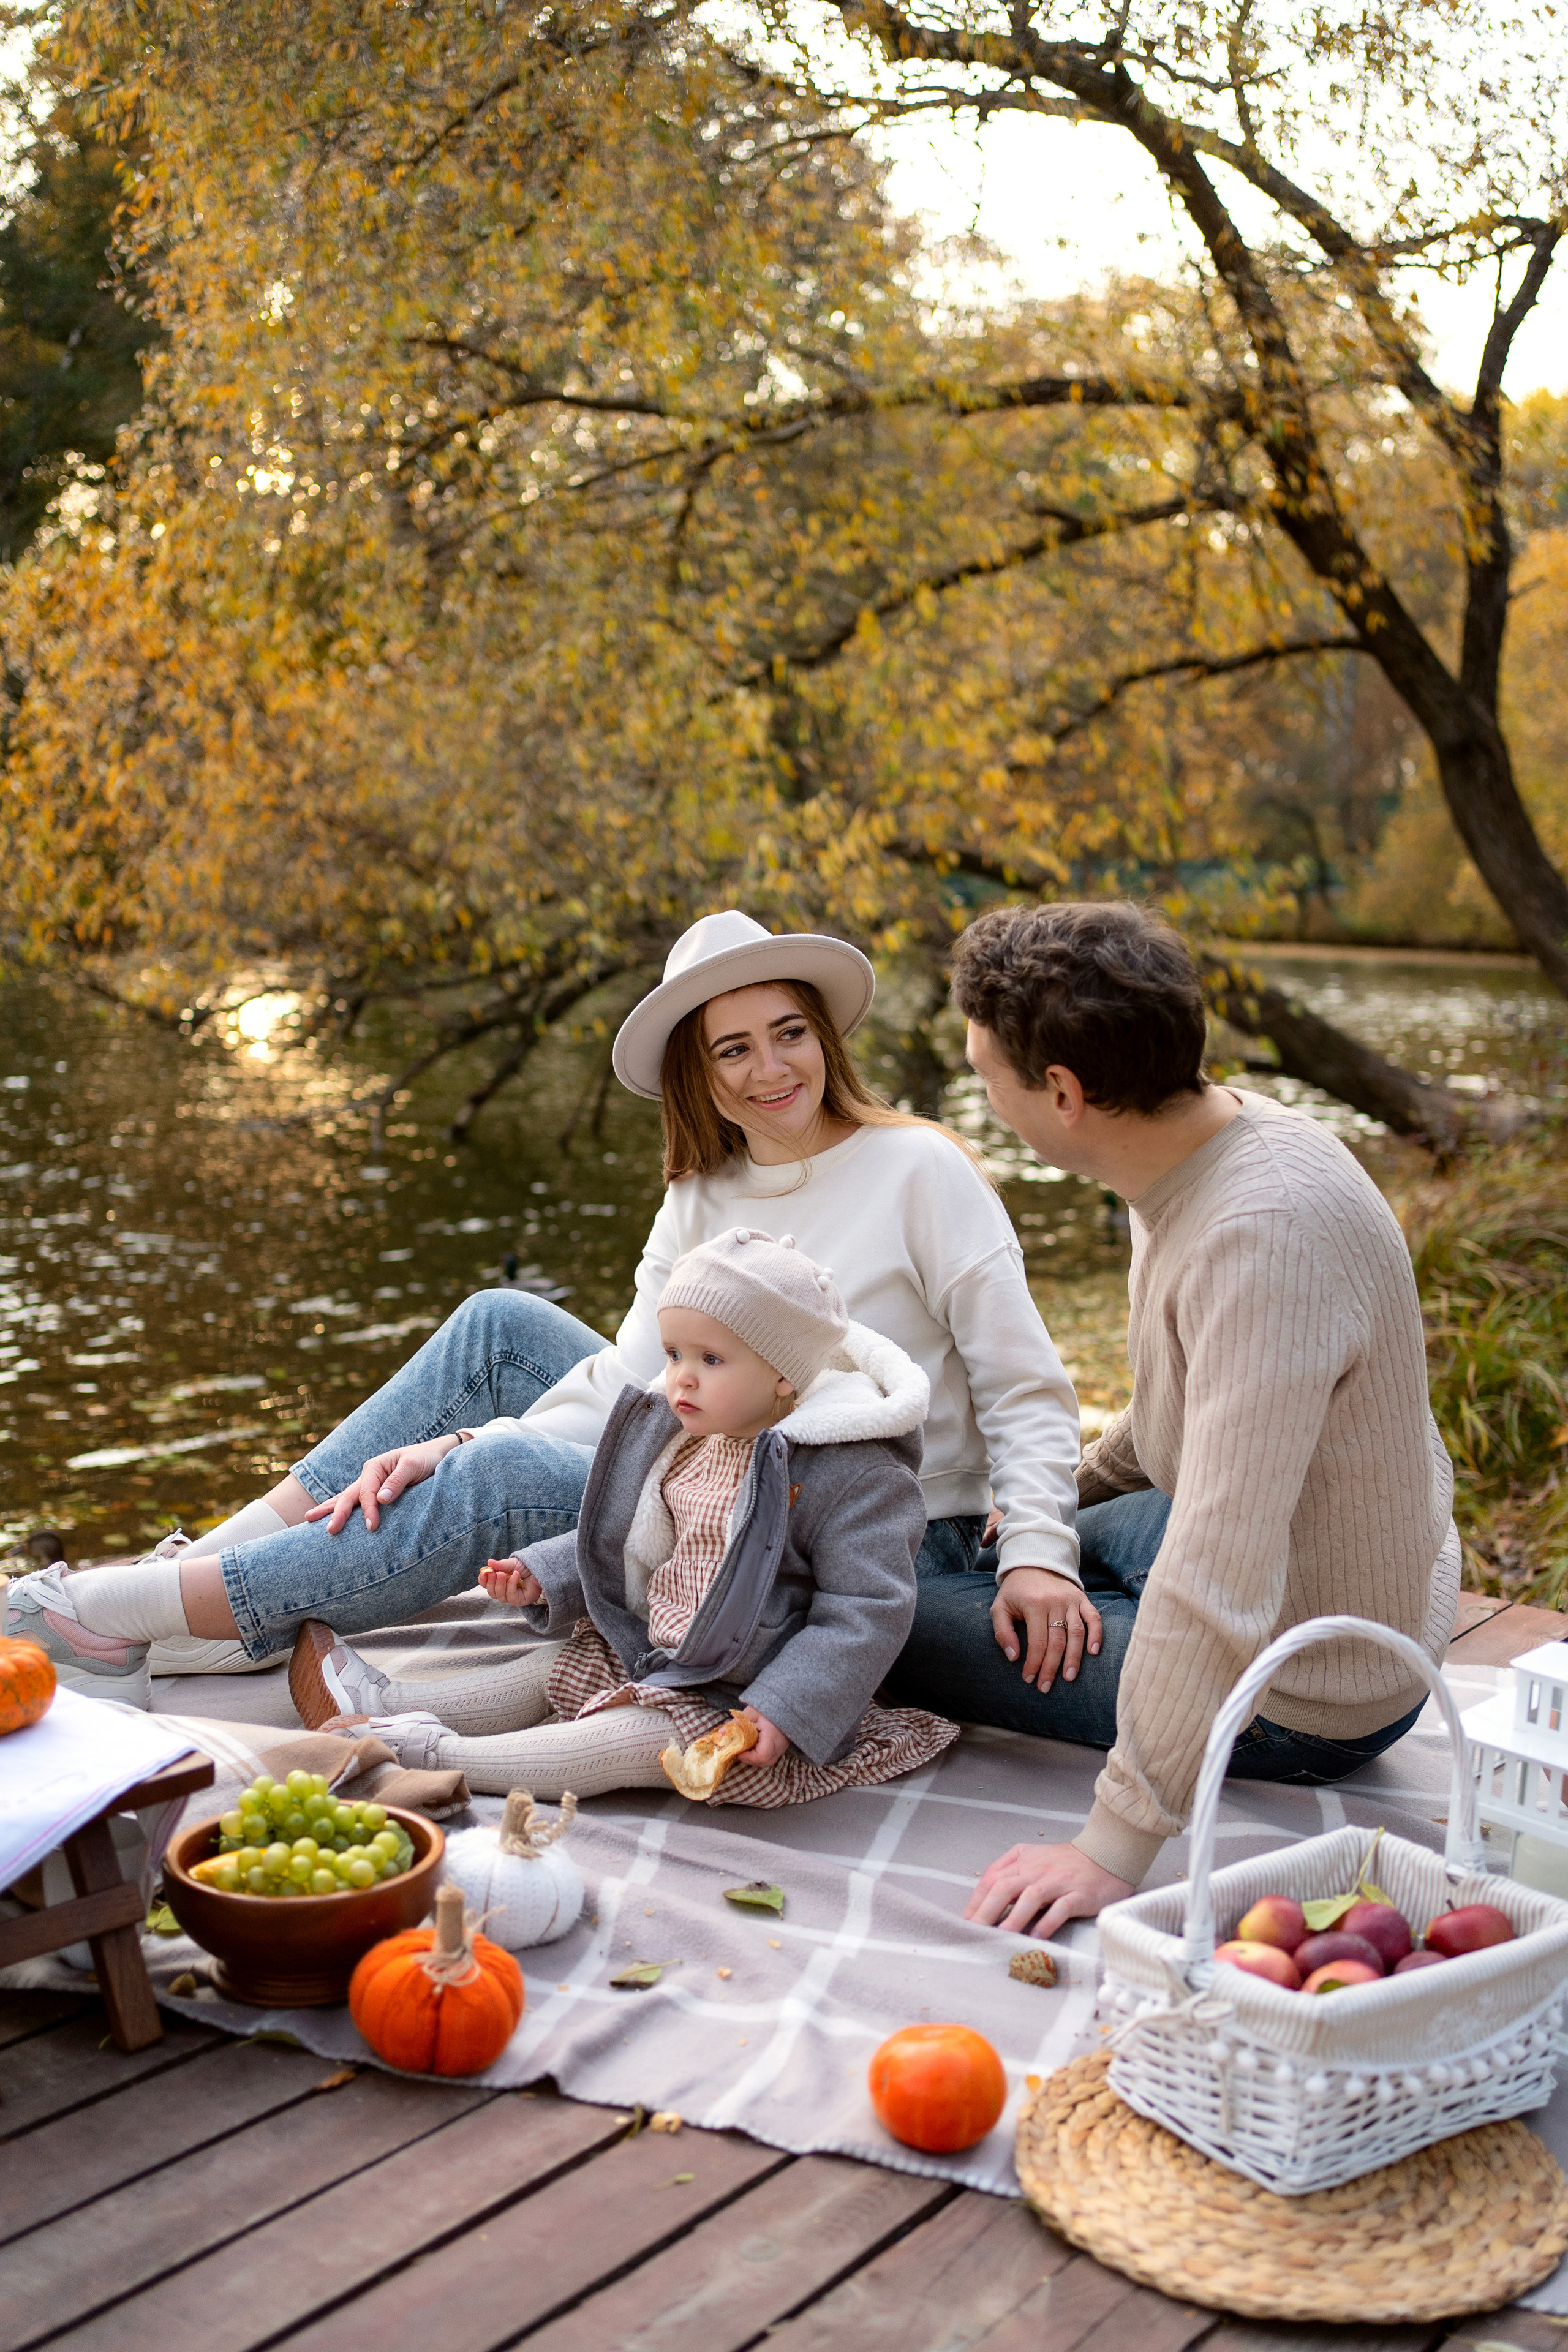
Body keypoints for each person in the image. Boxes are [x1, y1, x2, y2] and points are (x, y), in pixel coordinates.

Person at [11, 910, 1080, 1703]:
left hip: (837, 1516)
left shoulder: (919, 1169)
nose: (772, 1068)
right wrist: (455, 1437)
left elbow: (1023, 1385)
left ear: (825, 1038)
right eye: (734, 1048)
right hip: (699, 1463)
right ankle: (201, 1570)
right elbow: (633, 1382)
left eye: (789, 1032)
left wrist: (1037, 1550)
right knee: (501, 1324)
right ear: (698, 1075)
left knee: (512, 1474)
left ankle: (129, 1611)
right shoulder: (701, 1195)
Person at [883, 900, 1460, 1939]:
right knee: (1008, 1543)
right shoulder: (1203, 1147)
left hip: (1313, 1681)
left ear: (1064, 1093)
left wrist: (1114, 1845)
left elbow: (1218, 1574)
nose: (983, 1101)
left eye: (986, 1078)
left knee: (890, 1617)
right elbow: (1171, 1417)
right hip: (1308, 1542)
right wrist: (1061, 1500)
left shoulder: (1267, 1236)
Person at [298, 1228, 957, 1801]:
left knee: (619, 1743)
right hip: (659, 1652)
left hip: (744, 1699)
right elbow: (637, 1541)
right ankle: (386, 1704)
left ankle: (430, 1758)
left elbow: (868, 1608)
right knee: (546, 1673)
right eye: (674, 1355)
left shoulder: (851, 1473)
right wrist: (545, 1574)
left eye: (710, 1360)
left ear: (784, 1374)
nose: (681, 1379)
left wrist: (786, 1707)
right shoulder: (689, 1438)